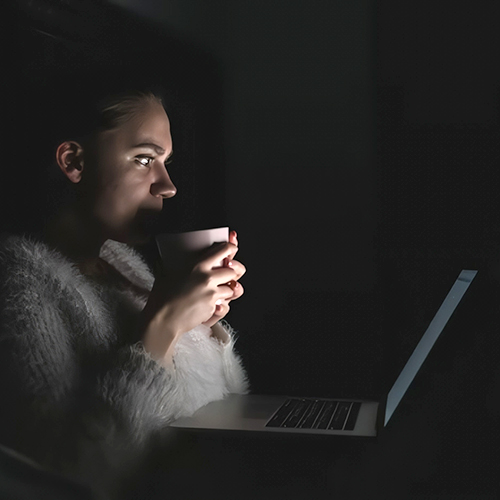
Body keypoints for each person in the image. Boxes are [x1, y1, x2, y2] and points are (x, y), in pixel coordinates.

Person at [0, 87, 248, 496]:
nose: (167, 186)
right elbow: (74, 476)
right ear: (74, 161)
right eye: (145, 160)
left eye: (166, 164)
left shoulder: (121, 261)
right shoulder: (18, 282)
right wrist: (164, 326)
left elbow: (227, 406)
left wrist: (202, 325)